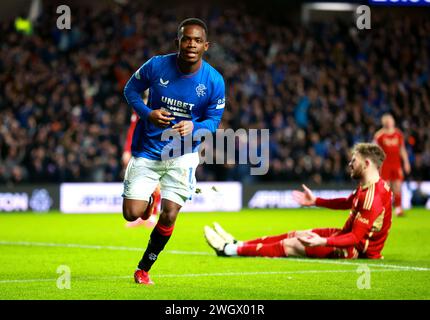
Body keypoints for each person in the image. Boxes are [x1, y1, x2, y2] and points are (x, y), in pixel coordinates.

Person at [123, 18, 225, 285]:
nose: (191, 44)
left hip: (183, 155)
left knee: (169, 213)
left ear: (206, 45)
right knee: (131, 214)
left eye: (197, 40)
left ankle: (143, 268)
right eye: (186, 39)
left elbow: (213, 123)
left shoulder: (214, 82)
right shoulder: (157, 65)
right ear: (177, 42)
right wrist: (147, 114)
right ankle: (146, 205)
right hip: (148, 150)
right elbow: (130, 89)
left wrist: (195, 126)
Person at [205, 143, 392, 260]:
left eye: (354, 161)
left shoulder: (373, 197)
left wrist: (323, 241)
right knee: (295, 234)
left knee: (291, 245)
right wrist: (316, 201)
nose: (350, 164)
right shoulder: (368, 186)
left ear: (367, 164)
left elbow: (355, 238)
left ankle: (228, 250)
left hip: (356, 249)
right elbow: (347, 202)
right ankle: (238, 243)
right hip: (345, 235)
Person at [122, 108, 161, 229]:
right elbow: (132, 130)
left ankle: (153, 216)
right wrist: (127, 150)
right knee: (138, 182)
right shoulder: (138, 110)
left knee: (156, 184)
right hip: (140, 149)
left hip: (155, 148)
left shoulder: (160, 105)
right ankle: (140, 216)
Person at [374, 113, 411, 217]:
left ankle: (398, 208)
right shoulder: (379, 136)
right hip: (385, 165)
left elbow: (402, 149)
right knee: (386, 187)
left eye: (390, 121)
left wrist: (406, 162)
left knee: (398, 186)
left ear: (393, 122)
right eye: (387, 121)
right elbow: (376, 152)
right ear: (383, 123)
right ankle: (384, 209)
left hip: (396, 164)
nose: (389, 123)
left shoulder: (398, 134)